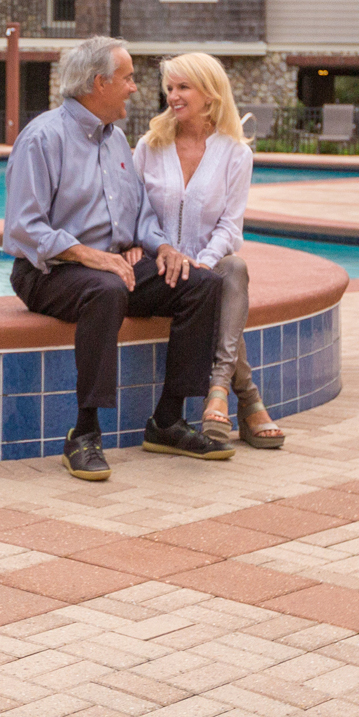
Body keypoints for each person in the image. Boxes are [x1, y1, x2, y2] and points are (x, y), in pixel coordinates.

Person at [4, 35, 235, 480]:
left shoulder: (115, 140)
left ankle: (167, 420)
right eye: (127, 78)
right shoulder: (42, 137)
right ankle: (85, 433)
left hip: (110, 266)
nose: (135, 87)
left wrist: (163, 247)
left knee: (201, 284)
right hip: (48, 271)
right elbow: (24, 226)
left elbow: (141, 215)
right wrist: (89, 256)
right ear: (99, 83)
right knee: (107, 288)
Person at [131, 53, 284, 450]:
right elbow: (129, 209)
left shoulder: (236, 154)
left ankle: (219, 387)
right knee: (224, 285)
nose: (173, 96)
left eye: (183, 87)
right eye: (169, 88)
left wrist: (203, 262)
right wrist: (145, 247)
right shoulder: (150, 145)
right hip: (155, 270)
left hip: (204, 270)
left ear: (210, 94)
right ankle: (244, 398)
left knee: (231, 268)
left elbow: (231, 227)